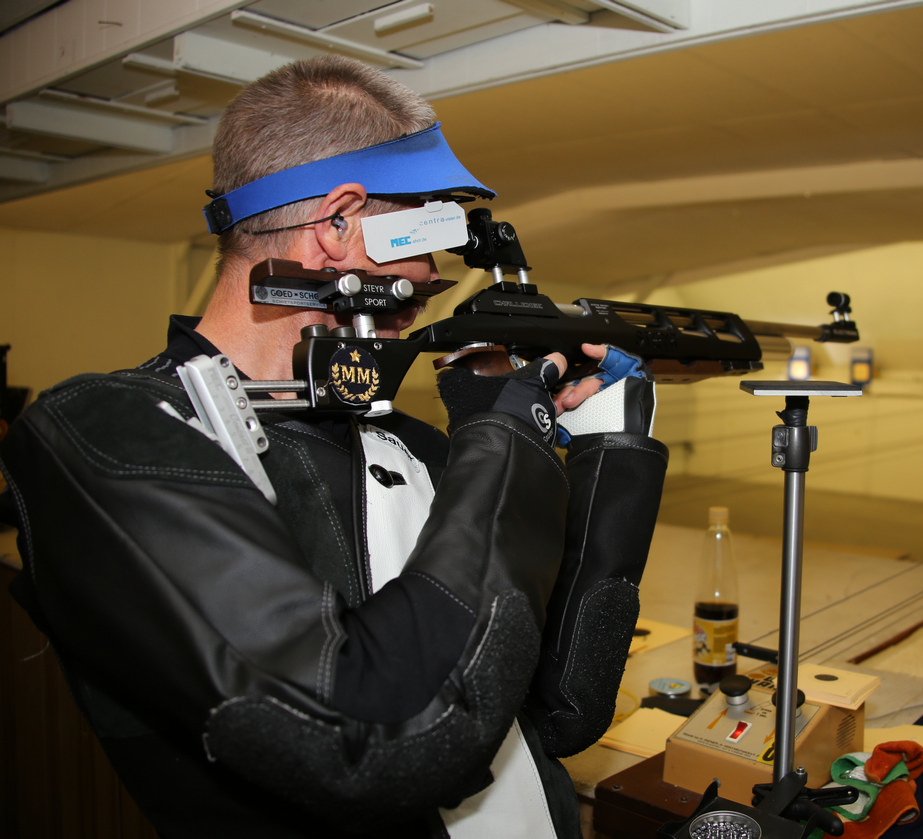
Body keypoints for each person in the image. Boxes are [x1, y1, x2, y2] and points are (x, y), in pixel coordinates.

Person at [0, 55, 667, 838]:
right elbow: (375, 741)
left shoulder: (410, 443)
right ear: (340, 224)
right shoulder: (111, 437)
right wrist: (506, 444)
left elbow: (561, 707)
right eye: (427, 237)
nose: (430, 280)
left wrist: (605, 441)